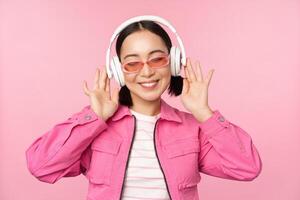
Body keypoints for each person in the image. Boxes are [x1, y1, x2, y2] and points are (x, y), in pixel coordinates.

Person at [25, 18, 262, 200]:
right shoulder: (96, 127)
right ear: (118, 71)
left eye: (157, 59)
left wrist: (204, 113)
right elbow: (41, 166)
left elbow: (247, 168)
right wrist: (94, 117)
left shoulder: (193, 130)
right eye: (132, 63)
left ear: (174, 62)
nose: (146, 71)